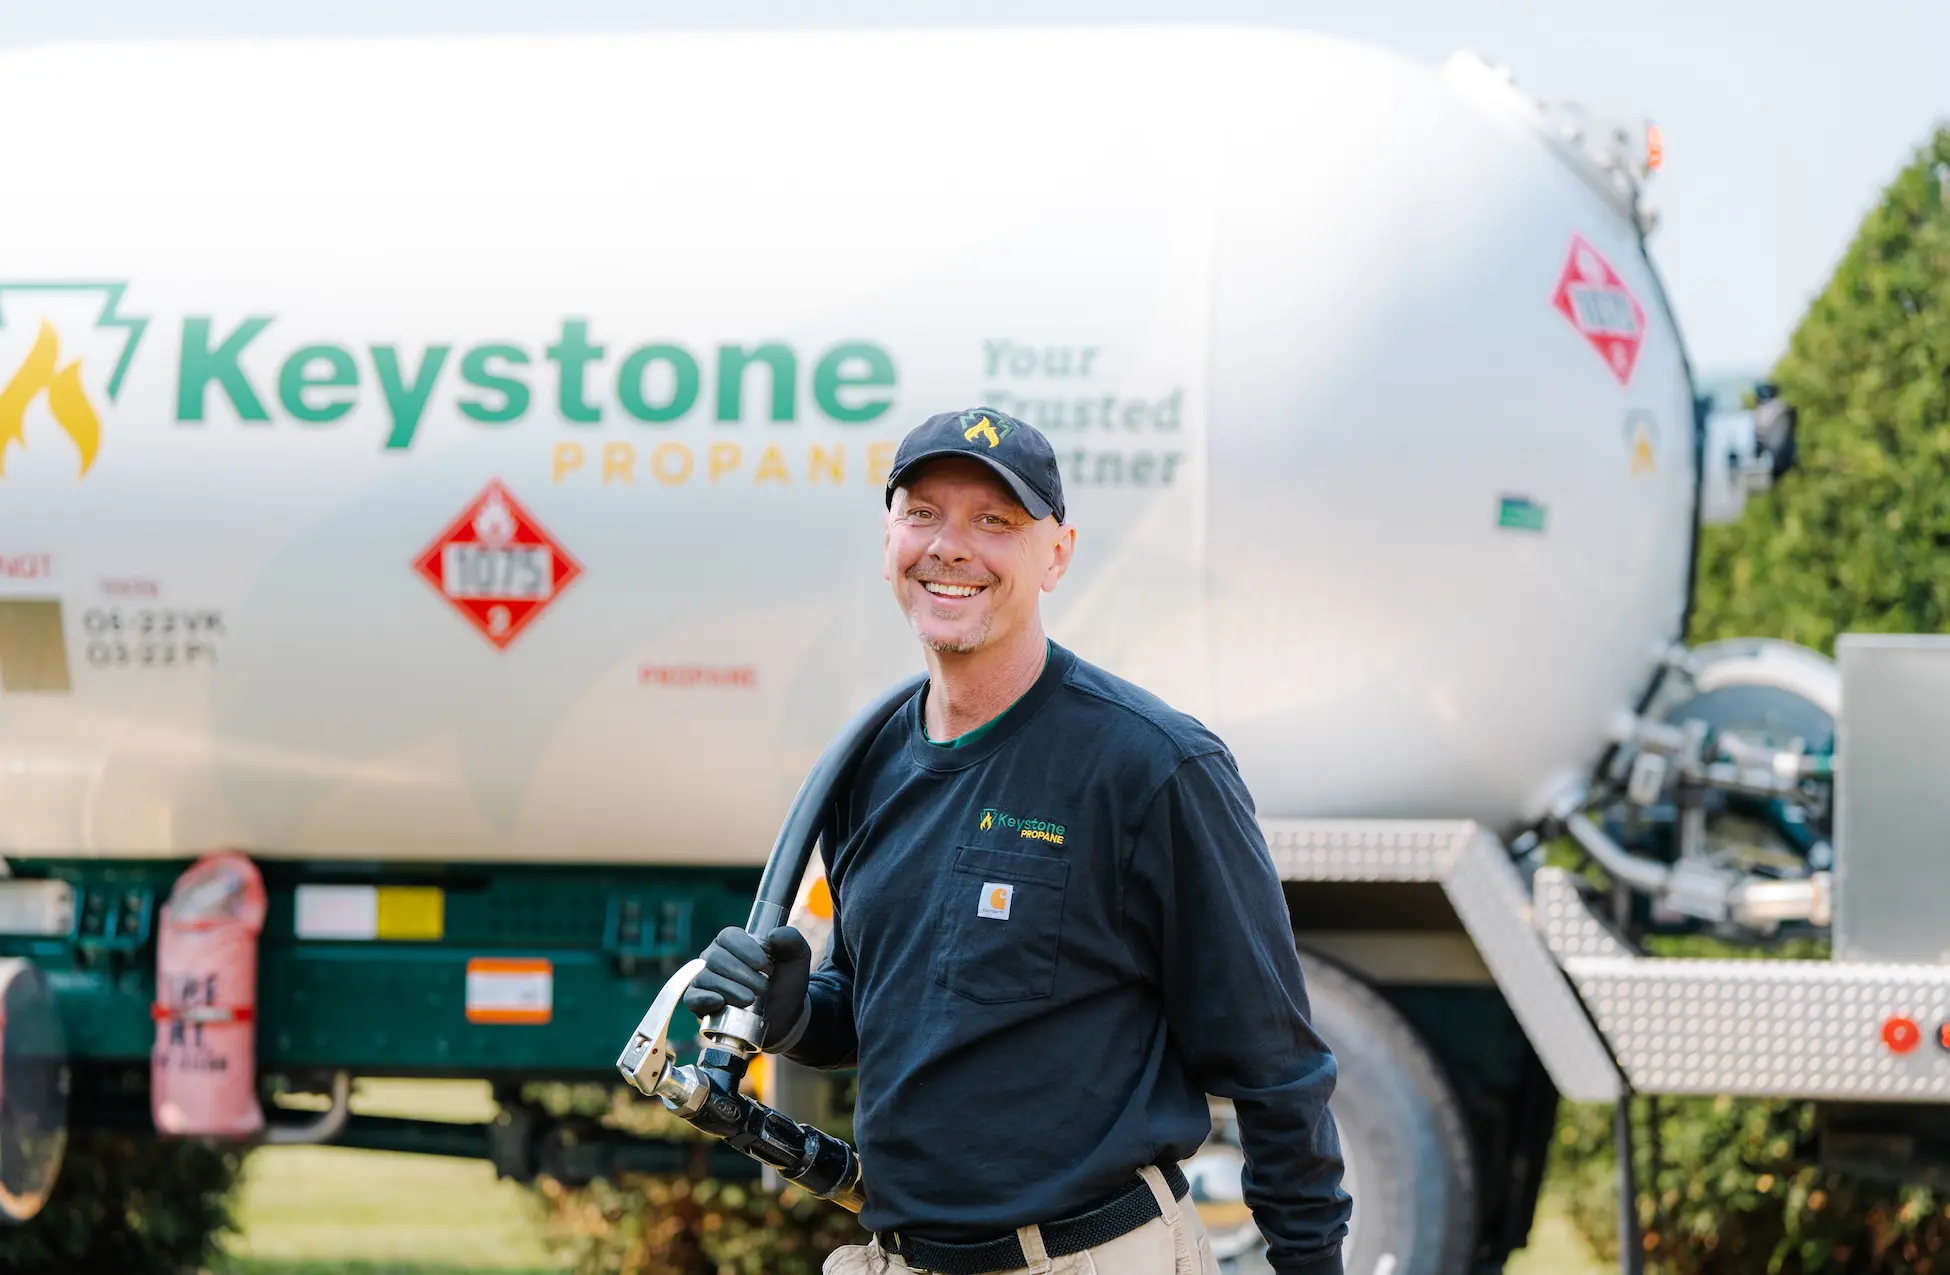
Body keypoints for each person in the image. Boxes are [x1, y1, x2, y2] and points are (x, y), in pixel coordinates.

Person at [683, 408, 1351, 1275]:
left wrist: (1311, 1263)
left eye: (994, 521)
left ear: (1057, 553)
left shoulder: (1151, 767)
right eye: (922, 513)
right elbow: (891, 1005)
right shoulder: (870, 764)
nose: (949, 547)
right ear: (889, 538)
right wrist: (798, 1014)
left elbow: (1276, 1064)